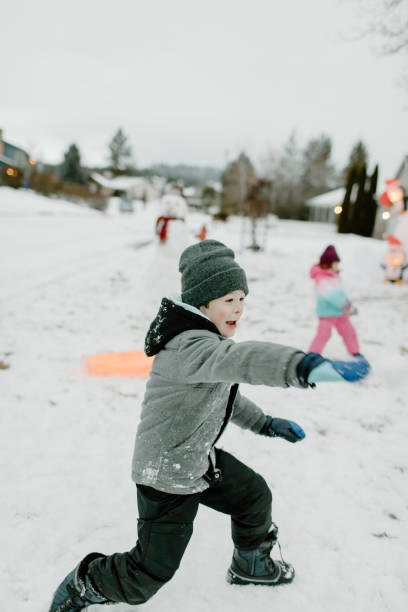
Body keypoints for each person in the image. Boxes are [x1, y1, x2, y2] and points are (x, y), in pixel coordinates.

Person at [49, 240, 370, 611]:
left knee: (253, 496)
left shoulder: (205, 343)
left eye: (241, 299)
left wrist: (264, 423)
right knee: (149, 574)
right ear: (202, 304)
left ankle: (251, 564)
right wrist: (302, 366)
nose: (239, 309)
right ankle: (86, 583)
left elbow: (224, 395)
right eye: (228, 300)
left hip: (197, 458)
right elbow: (245, 359)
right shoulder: (190, 346)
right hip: (166, 474)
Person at [308, 245, 361, 357]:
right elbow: (332, 296)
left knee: (349, 332)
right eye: (335, 264)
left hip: (341, 313)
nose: (337, 266)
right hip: (327, 313)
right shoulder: (321, 278)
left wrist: (348, 305)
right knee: (324, 334)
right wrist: (347, 306)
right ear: (328, 264)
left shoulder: (334, 276)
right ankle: (313, 355)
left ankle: (355, 352)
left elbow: (341, 293)